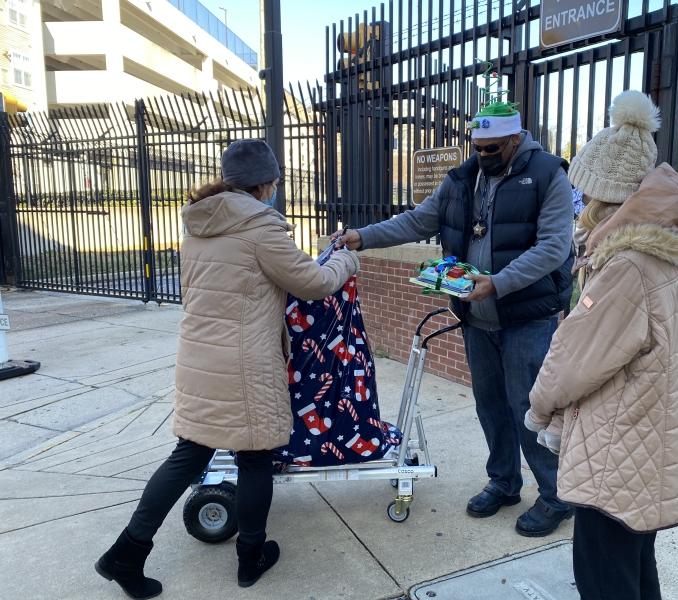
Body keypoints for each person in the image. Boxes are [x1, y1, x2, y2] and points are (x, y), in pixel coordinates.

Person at [94, 139, 360, 599]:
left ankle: (125, 553)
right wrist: (347, 258)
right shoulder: (261, 228)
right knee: (256, 456)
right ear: (266, 183)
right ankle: (250, 556)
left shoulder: (198, 224)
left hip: (198, 359)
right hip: (245, 365)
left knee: (187, 457)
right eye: (274, 183)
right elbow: (313, 283)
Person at [333, 100, 576, 537]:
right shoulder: (463, 180)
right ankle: (504, 482)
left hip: (526, 317)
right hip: (476, 316)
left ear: (516, 139)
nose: (483, 154)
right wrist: (360, 237)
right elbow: (418, 220)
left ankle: (556, 494)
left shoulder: (547, 175)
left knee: (529, 407)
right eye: (478, 146)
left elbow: (555, 247)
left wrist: (498, 282)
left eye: (493, 147)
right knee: (490, 405)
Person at [525, 90, 678, 600]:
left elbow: (571, 359)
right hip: (641, 449)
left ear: (606, 201)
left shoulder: (626, 268)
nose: (579, 208)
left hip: (616, 455)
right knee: (635, 572)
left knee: (605, 579)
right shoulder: (658, 257)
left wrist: (538, 410)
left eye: (584, 197)